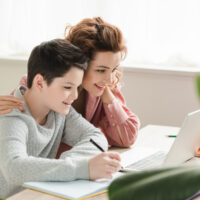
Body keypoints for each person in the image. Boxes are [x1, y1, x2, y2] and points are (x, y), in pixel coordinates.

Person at [0, 39, 121, 198]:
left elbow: (96, 137)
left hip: (39, 194)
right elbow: (14, 169)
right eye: (67, 87)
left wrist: (68, 165)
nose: (75, 95)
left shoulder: (58, 111)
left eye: (77, 87)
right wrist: (83, 168)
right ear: (40, 83)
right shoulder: (12, 115)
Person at [0, 17, 140, 151]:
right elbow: (27, 145)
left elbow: (128, 137)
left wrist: (108, 97)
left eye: (114, 69)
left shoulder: (104, 87)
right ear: (80, 64)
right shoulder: (40, 85)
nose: (109, 79)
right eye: (101, 70)